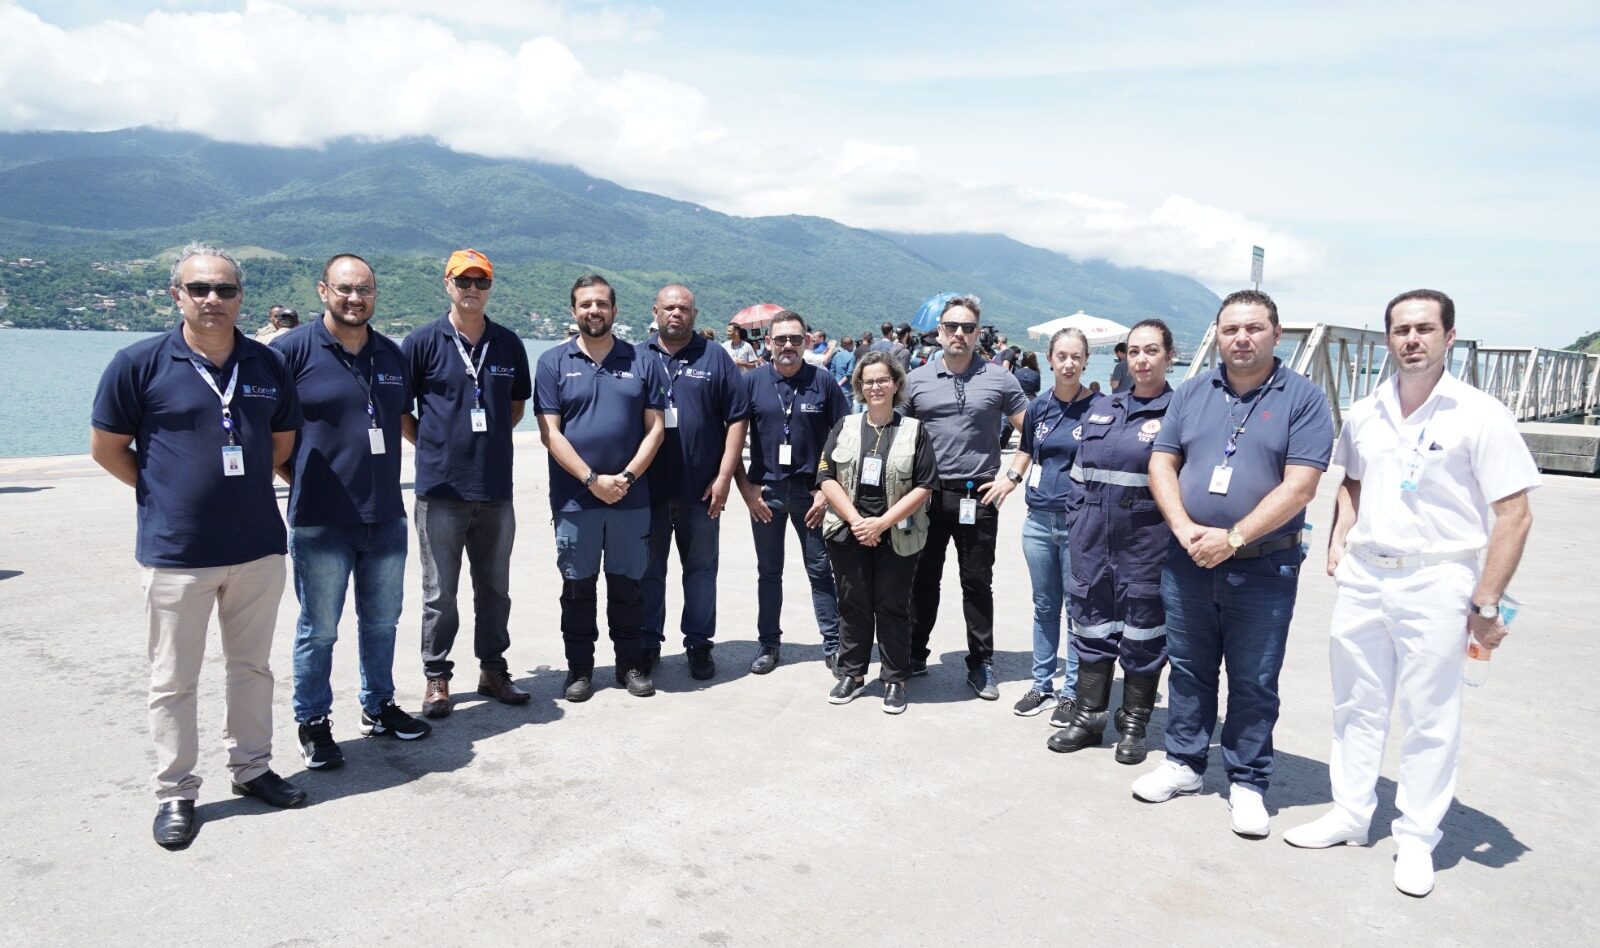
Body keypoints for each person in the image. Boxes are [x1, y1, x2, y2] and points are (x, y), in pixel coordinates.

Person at [1287, 290, 1538, 897]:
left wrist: (1485, 602)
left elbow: (1515, 514)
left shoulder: (1479, 413)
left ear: (1449, 337)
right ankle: (1350, 813)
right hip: (1367, 573)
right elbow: (1351, 478)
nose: (1412, 340)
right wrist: (1340, 537)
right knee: (1356, 702)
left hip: (1438, 574)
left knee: (1430, 716)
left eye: (1425, 329)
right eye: (1401, 330)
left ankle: (1417, 838)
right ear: (1388, 339)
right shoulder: (1367, 410)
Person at [91, 243, 307, 849]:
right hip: (176, 552)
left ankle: (253, 768)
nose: (213, 299)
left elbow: (281, 445)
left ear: (241, 297)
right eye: (200, 289)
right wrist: (163, 492)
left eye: (226, 290)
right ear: (177, 295)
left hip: (259, 546)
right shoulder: (138, 363)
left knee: (252, 668)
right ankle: (177, 791)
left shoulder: (266, 367)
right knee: (172, 677)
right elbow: (107, 449)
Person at [1131, 290, 1334, 839]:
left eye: (1253, 328)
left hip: (1264, 565)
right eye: (1230, 330)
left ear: (1277, 333)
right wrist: (1183, 528)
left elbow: (1302, 486)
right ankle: (1184, 763)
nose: (1241, 339)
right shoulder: (1194, 392)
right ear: (1217, 335)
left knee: (1254, 677)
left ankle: (1247, 781)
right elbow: (1162, 462)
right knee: (1191, 668)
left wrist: (1235, 537)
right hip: (1188, 556)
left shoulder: (1305, 399)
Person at [272, 253, 430, 770]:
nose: (354, 298)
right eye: (344, 289)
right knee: (319, 628)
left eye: (364, 289)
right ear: (323, 291)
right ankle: (313, 721)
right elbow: (272, 439)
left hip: (385, 514)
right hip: (320, 520)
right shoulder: (291, 351)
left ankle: (379, 705)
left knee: (382, 622)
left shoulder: (391, 355)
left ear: (375, 295)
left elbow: (404, 419)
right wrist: (303, 485)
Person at [401, 249, 533, 717]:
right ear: (447, 284)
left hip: (496, 488)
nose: (472, 288)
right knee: (440, 592)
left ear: (490, 287)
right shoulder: (421, 342)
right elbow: (401, 410)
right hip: (440, 492)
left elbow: (516, 408)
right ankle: (437, 676)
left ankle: (493, 669)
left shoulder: (509, 344)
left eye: (481, 281)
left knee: (495, 588)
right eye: (464, 281)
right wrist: (434, 446)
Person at [535, 275, 669, 701]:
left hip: (631, 498)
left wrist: (625, 478)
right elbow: (550, 433)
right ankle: (579, 670)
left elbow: (656, 430)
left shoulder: (643, 361)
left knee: (629, 586)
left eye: (602, 304)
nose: (594, 311)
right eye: (585, 304)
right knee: (577, 586)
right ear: (573, 312)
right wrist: (592, 480)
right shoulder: (553, 362)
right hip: (575, 499)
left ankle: (630, 665)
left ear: (614, 310)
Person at [1047, 321, 1175, 764]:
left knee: (1143, 633)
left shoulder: (1178, 413)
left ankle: (1133, 725)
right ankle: (1087, 718)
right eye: (1134, 351)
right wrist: (1079, 523)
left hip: (1145, 545)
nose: (1141, 360)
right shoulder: (1103, 409)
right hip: (1091, 542)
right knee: (1090, 627)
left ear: (1168, 357)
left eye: (1151, 351)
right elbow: (1080, 474)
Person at [902, 294, 1028, 698]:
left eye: (968, 328)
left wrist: (1012, 476)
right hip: (927, 496)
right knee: (923, 579)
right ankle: (914, 653)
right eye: (952, 327)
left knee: (976, 582)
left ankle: (981, 663)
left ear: (978, 333)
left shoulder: (999, 379)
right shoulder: (916, 379)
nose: (959, 334)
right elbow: (897, 436)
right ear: (939, 332)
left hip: (980, 495)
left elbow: (1035, 432)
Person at [639, 284, 749, 681]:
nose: (676, 314)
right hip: (647, 490)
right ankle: (648, 642)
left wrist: (724, 478)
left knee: (701, 572)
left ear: (695, 314)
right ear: (655, 311)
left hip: (702, 491)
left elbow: (737, 418)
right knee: (648, 573)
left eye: (683, 308)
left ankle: (699, 645)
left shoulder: (715, 357)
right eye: (669, 307)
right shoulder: (637, 356)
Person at [816, 351, 937, 713]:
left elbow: (924, 485)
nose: (875, 387)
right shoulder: (845, 426)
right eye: (868, 381)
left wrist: (881, 523)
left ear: (896, 383)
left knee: (892, 605)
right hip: (848, 530)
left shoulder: (913, 430)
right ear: (859, 387)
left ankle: (895, 678)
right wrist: (857, 521)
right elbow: (825, 478)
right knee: (852, 603)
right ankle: (852, 673)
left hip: (896, 531)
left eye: (883, 379)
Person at [734, 310, 850, 675]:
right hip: (765, 493)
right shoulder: (751, 382)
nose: (787, 346)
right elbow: (731, 439)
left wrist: (827, 493)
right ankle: (768, 644)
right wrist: (746, 489)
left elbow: (844, 440)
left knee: (820, 571)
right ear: (767, 343)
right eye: (780, 339)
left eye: (795, 339)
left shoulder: (823, 381)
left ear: (808, 341)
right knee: (768, 572)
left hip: (810, 494)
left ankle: (833, 645)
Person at [1002, 328, 1103, 719]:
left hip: (1079, 521)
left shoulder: (1099, 407)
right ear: (1049, 359)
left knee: (1076, 610)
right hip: (1038, 521)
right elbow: (1027, 449)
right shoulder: (1039, 406)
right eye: (1061, 356)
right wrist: (1009, 480)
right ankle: (1041, 685)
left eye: (1076, 356)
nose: (1068, 363)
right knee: (1044, 605)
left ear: (1085, 360)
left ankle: (1072, 692)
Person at [830, 335, 857, 400]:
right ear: (850, 344)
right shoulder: (852, 356)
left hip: (835, 386)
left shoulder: (836, 355)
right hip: (846, 388)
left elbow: (832, 371)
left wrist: (835, 384)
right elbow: (849, 374)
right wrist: (840, 384)